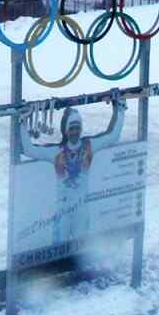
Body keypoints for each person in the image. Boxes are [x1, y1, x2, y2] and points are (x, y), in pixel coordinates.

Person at [20, 92, 125, 245]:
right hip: (63, 209)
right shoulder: (57, 152)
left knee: (81, 247)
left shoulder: (89, 146)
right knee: (58, 248)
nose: (75, 131)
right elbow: (29, 150)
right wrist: (22, 122)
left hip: (82, 208)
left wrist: (120, 109)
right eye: (71, 128)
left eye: (77, 127)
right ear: (65, 130)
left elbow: (113, 136)